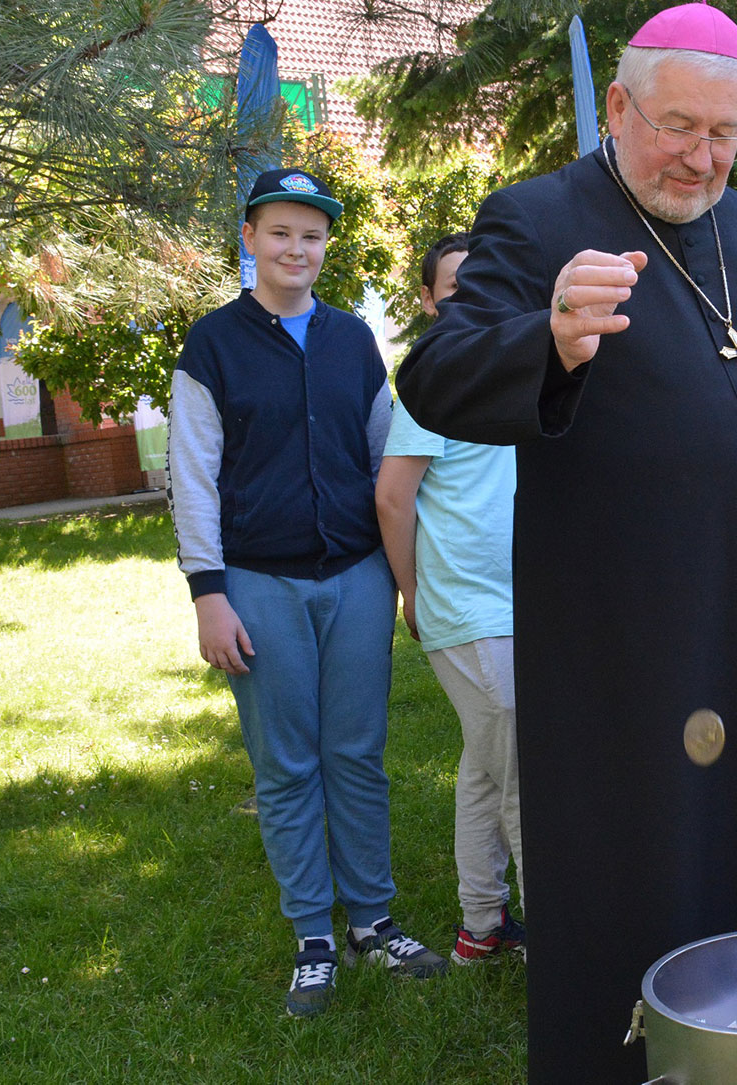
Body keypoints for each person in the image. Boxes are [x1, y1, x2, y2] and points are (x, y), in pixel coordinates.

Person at [394, 7, 737, 1080]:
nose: (701, 159)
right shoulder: (536, 220)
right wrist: (550, 338)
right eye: (678, 128)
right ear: (618, 106)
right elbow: (432, 376)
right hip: (625, 652)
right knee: (647, 877)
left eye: (724, 135)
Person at [168, 167, 447, 1019]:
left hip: (356, 577)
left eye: (313, 235)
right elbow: (193, 476)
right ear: (249, 237)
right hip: (259, 584)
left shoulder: (353, 340)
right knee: (287, 764)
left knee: (357, 753)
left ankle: (372, 921)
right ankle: (313, 937)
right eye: (281, 232)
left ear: (327, 245)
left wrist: (403, 577)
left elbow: (384, 459)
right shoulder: (212, 345)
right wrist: (209, 594)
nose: (297, 248)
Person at [376, 233, 526, 965]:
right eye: (455, 286)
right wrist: (413, 593)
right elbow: (393, 498)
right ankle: (568, 951)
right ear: (430, 302)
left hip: (520, 607)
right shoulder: (433, 385)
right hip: (470, 614)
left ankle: (482, 926)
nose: (473, 297)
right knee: (526, 782)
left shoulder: (517, 372)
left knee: (484, 771)